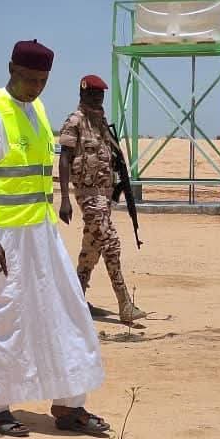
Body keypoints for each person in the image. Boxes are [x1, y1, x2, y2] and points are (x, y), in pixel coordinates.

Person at [0, 40, 109, 437]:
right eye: (29, 79)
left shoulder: (38, 110)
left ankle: (69, 404)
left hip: (41, 234)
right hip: (1, 238)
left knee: (65, 313)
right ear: (11, 69)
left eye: (42, 81)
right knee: (2, 321)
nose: (36, 87)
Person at [58, 75, 147, 325]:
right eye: (93, 94)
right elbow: (64, 158)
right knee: (111, 242)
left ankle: (74, 299)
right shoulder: (75, 121)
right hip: (87, 196)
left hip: (105, 196)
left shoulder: (102, 122)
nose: (97, 98)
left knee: (91, 248)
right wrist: (65, 198)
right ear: (82, 93)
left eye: (100, 95)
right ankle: (124, 303)